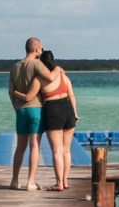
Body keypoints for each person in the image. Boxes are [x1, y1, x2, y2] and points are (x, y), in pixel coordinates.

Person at [15, 49, 78, 191]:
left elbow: (29, 97)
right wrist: (75, 113)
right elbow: (72, 95)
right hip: (68, 109)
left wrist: (16, 93)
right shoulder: (63, 75)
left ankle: (59, 183)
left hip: (53, 110)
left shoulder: (39, 79)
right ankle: (65, 181)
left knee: (57, 150)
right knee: (66, 150)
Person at [7, 37, 59, 191]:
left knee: (20, 147)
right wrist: (58, 69)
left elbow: (10, 91)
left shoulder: (14, 67)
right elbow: (50, 78)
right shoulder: (37, 64)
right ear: (37, 50)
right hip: (35, 108)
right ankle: (30, 181)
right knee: (34, 145)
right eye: (41, 49)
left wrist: (16, 108)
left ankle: (15, 180)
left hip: (20, 110)